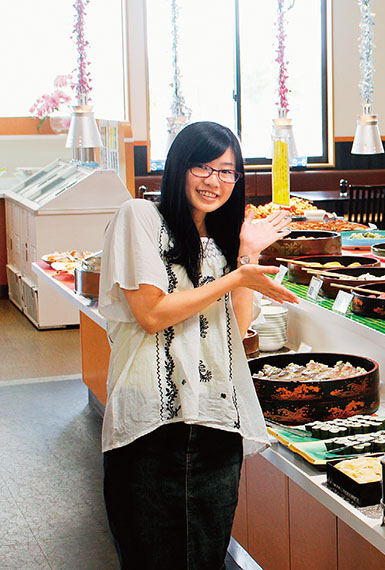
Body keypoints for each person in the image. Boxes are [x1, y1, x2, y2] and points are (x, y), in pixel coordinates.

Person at [98, 121, 298, 569]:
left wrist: (247, 254)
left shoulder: (222, 240)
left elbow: (239, 325)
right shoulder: (140, 217)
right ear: (178, 168)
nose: (215, 180)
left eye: (227, 171)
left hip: (215, 422)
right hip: (154, 424)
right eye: (203, 167)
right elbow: (152, 314)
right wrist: (236, 276)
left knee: (204, 559)